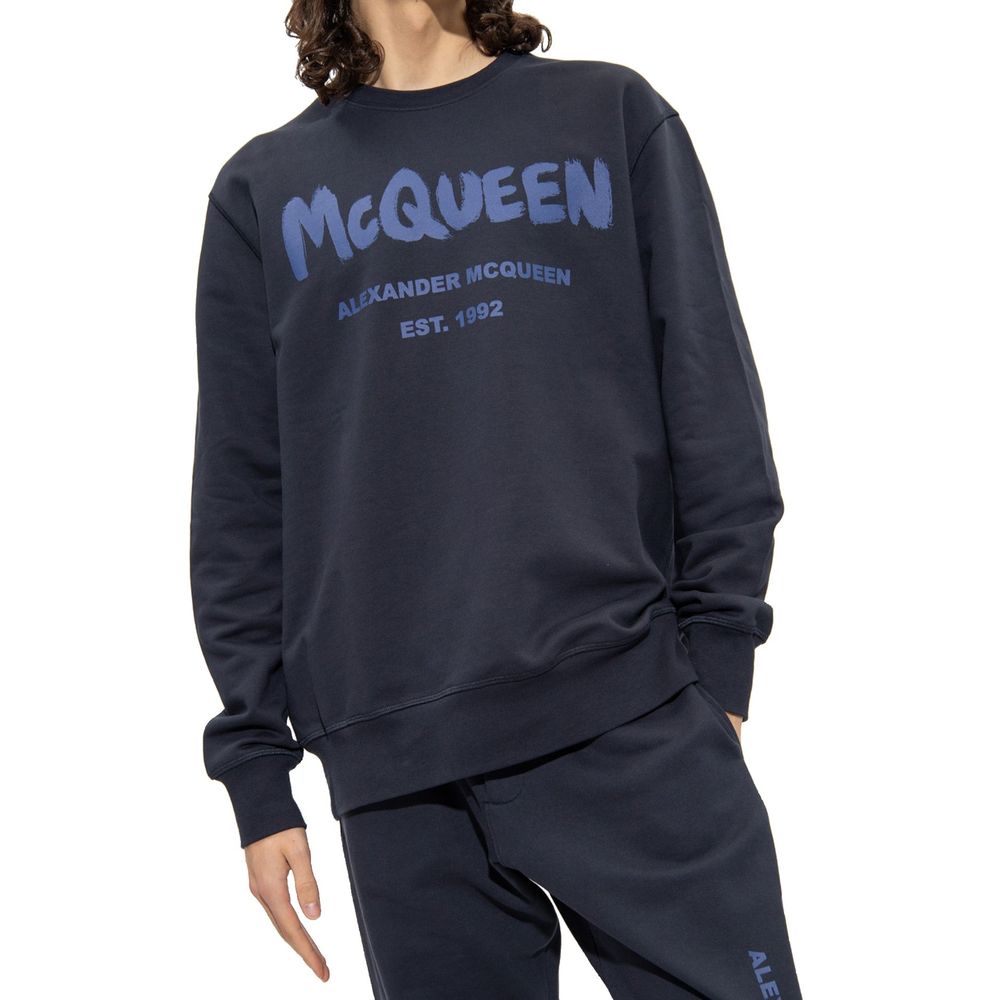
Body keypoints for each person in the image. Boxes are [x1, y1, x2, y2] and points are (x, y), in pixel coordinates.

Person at [189, 1, 803, 996]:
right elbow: (241, 499)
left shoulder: (609, 116)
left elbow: (710, 396)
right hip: (395, 769)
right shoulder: (264, 190)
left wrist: (720, 663)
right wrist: (257, 773)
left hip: (626, 712)